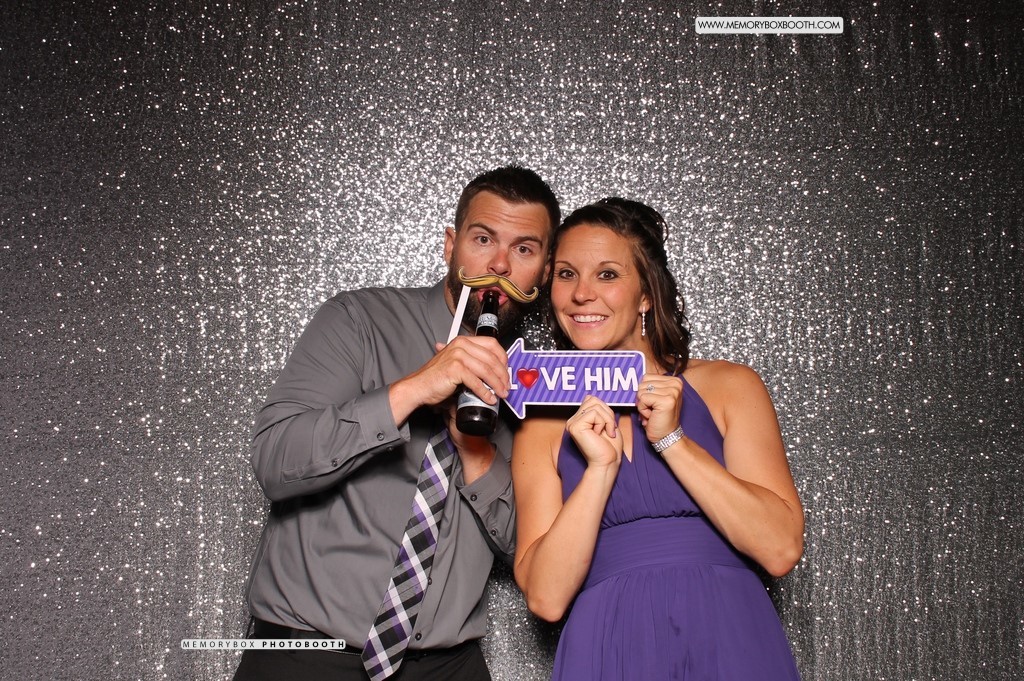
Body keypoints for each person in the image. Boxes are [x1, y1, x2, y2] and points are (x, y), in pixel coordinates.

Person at [233, 166, 560, 681]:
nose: (499, 265)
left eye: (523, 249)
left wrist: (477, 454)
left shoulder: (543, 382)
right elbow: (276, 462)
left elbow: (534, 550)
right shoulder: (358, 321)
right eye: (482, 239)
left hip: (448, 665)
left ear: (543, 272)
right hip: (305, 655)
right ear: (451, 245)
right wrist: (413, 390)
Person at [512, 198, 804, 680]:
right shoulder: (540, 422)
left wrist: (672, 441)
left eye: (607, 274)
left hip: (728, 636)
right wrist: (600, 470)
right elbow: (546, 597)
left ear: (646, 294)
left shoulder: (729, 386)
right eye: (566, 275)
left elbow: (780, 549)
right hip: (606, 646)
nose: (582, 293)